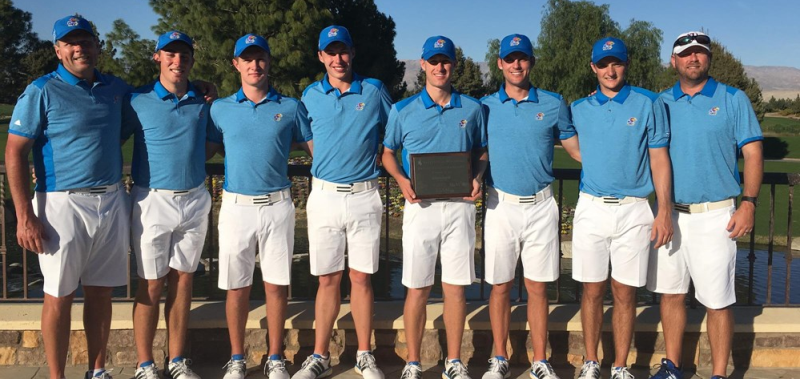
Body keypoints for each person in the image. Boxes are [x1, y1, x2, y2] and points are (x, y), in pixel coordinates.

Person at [6, 15, 132, 379]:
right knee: (58, 296)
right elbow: (14, 152)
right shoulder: (41, 89)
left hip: (110, 200)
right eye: (71, 42)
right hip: (61, 204)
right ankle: (57, 376)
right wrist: (24, 215)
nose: (80, 48)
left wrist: (201, 86)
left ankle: (98, 370)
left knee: (101, 293)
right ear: (58, 50)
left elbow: (142, 107)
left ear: (97, 46)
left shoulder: (115, 88)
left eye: (86, 41)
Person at [647, 31, 763, 379]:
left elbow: (753, 153)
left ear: (708, 58)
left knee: (718, 301)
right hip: (671, 215)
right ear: (674, 61)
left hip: (716, 216)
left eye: (699, 53)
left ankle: (718, 374)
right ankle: (673, 367)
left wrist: (749, 203)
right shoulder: (661, 102)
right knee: (671, 295)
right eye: (685, 54)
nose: (693, 59)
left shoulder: (732, 98)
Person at [206, 34, 312, 379]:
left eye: (260, 58)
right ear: (236, 64)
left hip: (278, 204)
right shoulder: (219, 108)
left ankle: (276, 357)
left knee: (276, 285)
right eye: (246, 59)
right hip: (236, 206)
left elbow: (313, 147)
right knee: (236, 286)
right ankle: (237, 358)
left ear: (268, 62)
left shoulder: (291, 107)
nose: (254, 65)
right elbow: (209, 149)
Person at [382, 35, 487, 379]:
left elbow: (481, 151)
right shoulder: (402, 110)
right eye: (434, 61)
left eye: (446, 61)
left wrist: (479, 176)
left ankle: (453, 362)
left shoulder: (472, 108)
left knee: (456, 288)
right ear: (423, 65)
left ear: (453, 65)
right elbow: (387, 153)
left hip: (459, 208)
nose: (440, 67)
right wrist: (401, 179)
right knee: (418, 287)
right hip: (421, 209)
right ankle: (413, 362)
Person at [291, 25, 392, 379]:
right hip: (324, 197)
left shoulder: (375, 90)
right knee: (328, 279)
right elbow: (302, 136)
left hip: (364, 196)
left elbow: (397, 131)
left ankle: (364, 354)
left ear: (352, 53)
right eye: (330, 52)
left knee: (361, 279)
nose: (338, 58)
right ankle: (320, 355)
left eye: (343, 51)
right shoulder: (310, 95)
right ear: (321, 56)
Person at [569, 37, 673, 379]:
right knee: (592, 289)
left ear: (625, 64)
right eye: (603, 64)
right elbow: (574, 148)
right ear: (593, 68)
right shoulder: (579, 108)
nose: (610, 70)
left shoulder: (648, 103)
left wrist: (664, 210)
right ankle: (590, 361)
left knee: (625, 292)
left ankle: (620, 366)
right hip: (592, 207)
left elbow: (659, 159)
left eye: (616, 63)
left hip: (634, 209)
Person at [479, 33, 580, 379]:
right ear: (500, 64)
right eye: (510, 59)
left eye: (522, 58)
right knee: (501, 285)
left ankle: (540, 358)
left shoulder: (552, 103)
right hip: (500, 204)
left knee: (538, 286)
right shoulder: (486, 106)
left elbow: (575, 148)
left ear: (531, 62)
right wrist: (474, 175)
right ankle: (499, 356)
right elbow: (479, 150)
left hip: (540, 204)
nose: (516, 64)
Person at [122, 30, 209, 379]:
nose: (178, 60)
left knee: (183, 280)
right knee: (152, 284)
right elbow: (105, 138)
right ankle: (145, 364)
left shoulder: (202, 99)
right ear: (157, 57)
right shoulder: (136, 99)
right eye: (170, 54)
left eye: (184, 54)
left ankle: (176, 361)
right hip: (152, 200)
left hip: (194, 198)